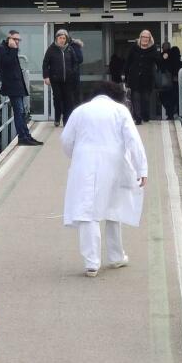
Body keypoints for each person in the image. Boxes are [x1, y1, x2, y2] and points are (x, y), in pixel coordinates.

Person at [61, 81, 149, 277]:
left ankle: (92, 263)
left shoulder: (80, 111)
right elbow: (133, 140)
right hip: (114, 163)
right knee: (113, 209)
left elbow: (66, 140)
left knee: (88, 211)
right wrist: (141, 168)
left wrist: (77, 156)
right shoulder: (120, 110)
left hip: (84, 163)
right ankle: (116, 256)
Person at [0, 30, 42, 146]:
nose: (17, 42)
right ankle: (22, 137)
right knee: (19, 111)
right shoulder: (3, 49)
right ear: (9, 39)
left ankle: (26, 136)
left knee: (21, 112)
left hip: (17, 85)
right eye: (15, 39)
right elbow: (8, 63)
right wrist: (13, 49)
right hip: (11, 86)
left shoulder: (10, 49)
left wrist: (13, 49)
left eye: (18, 40)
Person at [124, 30, 160, 125]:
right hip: (135, 78)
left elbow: (159, 62)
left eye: (147, 37)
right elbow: (128, 62)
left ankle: (145, 115)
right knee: (135, 98)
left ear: (149, 39)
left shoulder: (153, 50)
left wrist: (164, 57)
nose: (145, 39)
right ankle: (138, 118)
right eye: (143, 37)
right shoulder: (134, 48)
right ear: (140, 37)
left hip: (147, 79)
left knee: (145, 99)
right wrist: (125, 74)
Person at [42, 29, 77, 127]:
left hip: (68, 80)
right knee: (57, 99)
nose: (62, 40)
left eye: (64, 38)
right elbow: (45, 63)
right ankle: (57, 117)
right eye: (60, 38)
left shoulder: (69, 49)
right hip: (55, 79)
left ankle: (66, 121)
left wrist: (72, 72)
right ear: (56, 39)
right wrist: (46, 76)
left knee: (68, 100)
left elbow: (75, 63)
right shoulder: (51, 49)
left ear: (66, 39)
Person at [158, 42, 182, 120]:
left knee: (166, 98)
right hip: (176, 83)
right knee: (175, 99)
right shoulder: (179, 62)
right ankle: (176, 114)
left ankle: (170, 114)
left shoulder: (166, 57)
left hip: (168, 83)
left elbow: (161, 64)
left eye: (163, 47)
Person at [68, 36, 85, 107]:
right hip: (72, 75)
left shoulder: (73, 47)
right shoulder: (74, 47)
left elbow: (80, 59)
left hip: (72, 75)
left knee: (72, 95)